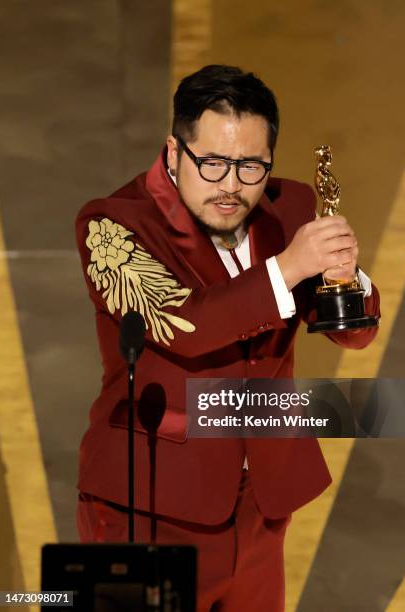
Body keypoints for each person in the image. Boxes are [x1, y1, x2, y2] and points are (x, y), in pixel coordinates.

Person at [75, 64, 380, 611]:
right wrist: (289, 268)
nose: (231, 185)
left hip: (259, 505)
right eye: (212, 163)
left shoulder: (291, 210)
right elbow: (184, 326)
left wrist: (344, 275)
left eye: (251, 166)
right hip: (144, 507)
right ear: (173, 153)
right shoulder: (112, 227)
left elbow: (354, 338)